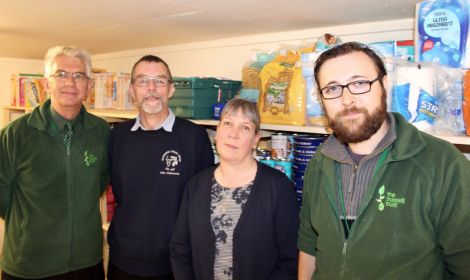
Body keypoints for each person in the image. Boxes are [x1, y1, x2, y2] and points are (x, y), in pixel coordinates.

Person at [298, 41, 470, 279]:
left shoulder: (443, 163)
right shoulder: (319, 161)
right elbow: (309, 244)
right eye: (333, 89)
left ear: (384, 85)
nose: (347, 99)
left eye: (359, 83)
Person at [0, 46, 110, 279]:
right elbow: (2, 198)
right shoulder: (15, 134)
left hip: (87, 262)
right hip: (29, 264)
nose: (70, 82)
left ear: (89, 86)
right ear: (46, 83)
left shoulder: (101, 131)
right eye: (61, 74)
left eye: (79, 75)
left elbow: (98, 184)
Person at [107, 55, 214, 279]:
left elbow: (203, 204)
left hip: (174, 264)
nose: (152, 88)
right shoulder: (118, 136)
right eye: (143, 81)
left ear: (171, 89)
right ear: (132, 89)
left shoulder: (194, 137)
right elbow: (119, 193)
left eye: (160, 81)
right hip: (123, 261)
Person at [170, 98, 299, 280]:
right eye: (228, 123)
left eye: (245, 127)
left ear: (256, 139)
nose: (233, 134)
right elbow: (180, 248)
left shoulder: (279, 188)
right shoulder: (196, 186)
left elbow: (290, 260)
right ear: (217, 132)